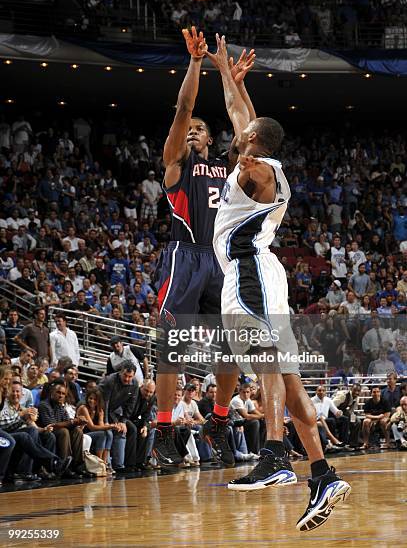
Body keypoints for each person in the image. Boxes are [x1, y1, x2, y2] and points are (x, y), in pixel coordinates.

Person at [210, 34, 350, 532]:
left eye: (243, 135)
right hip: (257, 274)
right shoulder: (253, 152)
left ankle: (273, 453)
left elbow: (252, 148)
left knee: (266, 360)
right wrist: (224, 69)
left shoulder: (264, 168)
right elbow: (236, 110)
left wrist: (251, 160)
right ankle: (322, 474)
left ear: (253, 141)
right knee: (290, 385)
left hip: (251, 270)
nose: (237, 134)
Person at [152, 27, 256, 468]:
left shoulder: (227, 168)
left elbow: (249, 131)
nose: (192, 131)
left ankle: (216, 418)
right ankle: (162, 429)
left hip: (220, 260)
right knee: (170, 341)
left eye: (199, 130)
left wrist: (234, 81)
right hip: (185, 255)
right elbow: (183, 107)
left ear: (210, 139)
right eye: (188, 130)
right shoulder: (176, 164)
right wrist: (196, 63)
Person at [37, 380, 85, 476]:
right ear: (52, 393)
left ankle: (77, 465)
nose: (61, 395)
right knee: (64, 431)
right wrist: (72, 422)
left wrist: (78, 422)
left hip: (56, 431)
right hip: (46, 432)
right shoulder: (44, 405)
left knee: (77, 431)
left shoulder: (60, 406)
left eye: (63, 394)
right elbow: (51, 425)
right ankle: (63, 466)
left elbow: (68, 422)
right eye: (58, 392)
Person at [98, 361, 138, 471]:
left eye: (130, 376)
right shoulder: (110, 381)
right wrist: (106, 423)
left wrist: (123, 421)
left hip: (115, 412)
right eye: (125, 375)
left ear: (133, 376)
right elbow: (104, 403)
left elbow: (131, 405)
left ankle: (122, 465)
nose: (127, 379)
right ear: (120, 372)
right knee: (108, 432)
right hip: (99, 410)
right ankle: (107, 465)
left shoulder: (134, 384)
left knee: (126, 430)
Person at [76, 388, 117, 469]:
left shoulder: (98, 410)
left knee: (108, 434)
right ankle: (99, 462)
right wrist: (111, 426)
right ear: (87, 398)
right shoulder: (83, 408)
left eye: (95, 399)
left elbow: (101, 426)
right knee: (102, 434)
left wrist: (101, 417)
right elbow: (92, 427)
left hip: (91, 434)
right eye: (90, 398)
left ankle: (104, 462)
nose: (92, 401)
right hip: (80, 433)